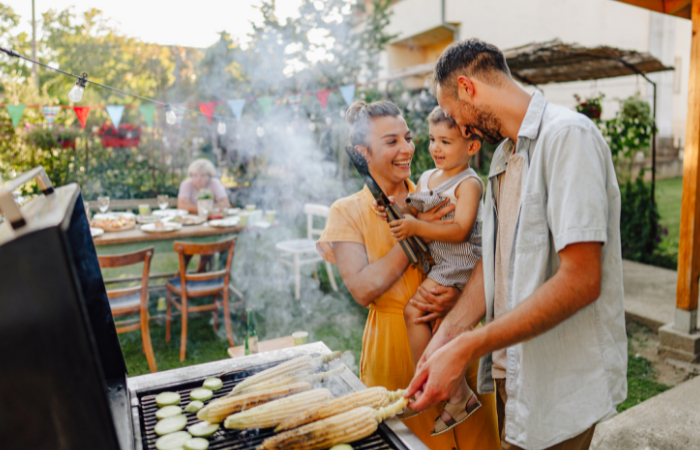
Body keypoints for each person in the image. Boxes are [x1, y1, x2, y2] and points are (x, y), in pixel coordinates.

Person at [405, 38, 627, 450]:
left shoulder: (568, 137)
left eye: (455, 116)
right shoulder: (503, 155)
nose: (462, 130)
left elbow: (581, 279)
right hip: (514, 377)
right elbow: (496, 263)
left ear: (468, 87)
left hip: (561, 385)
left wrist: (471, 343)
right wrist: (447, 336)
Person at [317, 100, 500, 449]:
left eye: (408, 137)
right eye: (391, 142)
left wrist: (461, 296)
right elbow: (362, 288)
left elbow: (476, 253)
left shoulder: (438, 191)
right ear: (362, 152)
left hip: (458, 338)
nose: (407, 149)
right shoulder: (347, 212)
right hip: (396, 355)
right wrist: (414, 235)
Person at [386, 106, 485, 435]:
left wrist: (414, 227)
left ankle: (426, 383)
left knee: (414, 312)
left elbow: (460, 230)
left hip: (458, 263)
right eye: (431, 139)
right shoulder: (428, 177)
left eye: (446, 141)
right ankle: (458, 396)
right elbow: (414, 209)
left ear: (472, 147)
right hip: (437, 262)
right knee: (436, 322)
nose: (436, 148)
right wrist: (394, 209)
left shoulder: (469, 184)